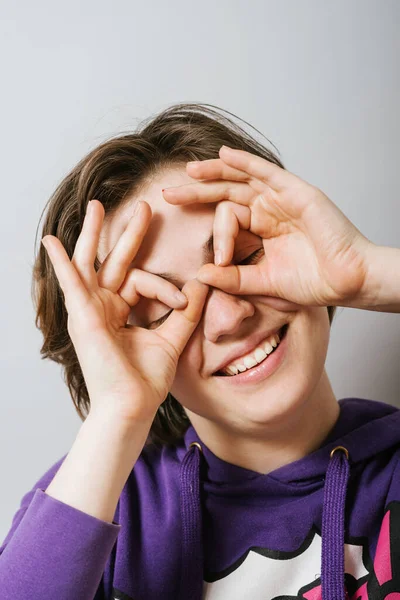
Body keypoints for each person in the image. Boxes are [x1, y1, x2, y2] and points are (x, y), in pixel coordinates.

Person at [0, 103, 399, 600]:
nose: (230, 317)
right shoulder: (93, 502)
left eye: (245, 255)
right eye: (165, 309)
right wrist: (119, 412)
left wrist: (368, 274)